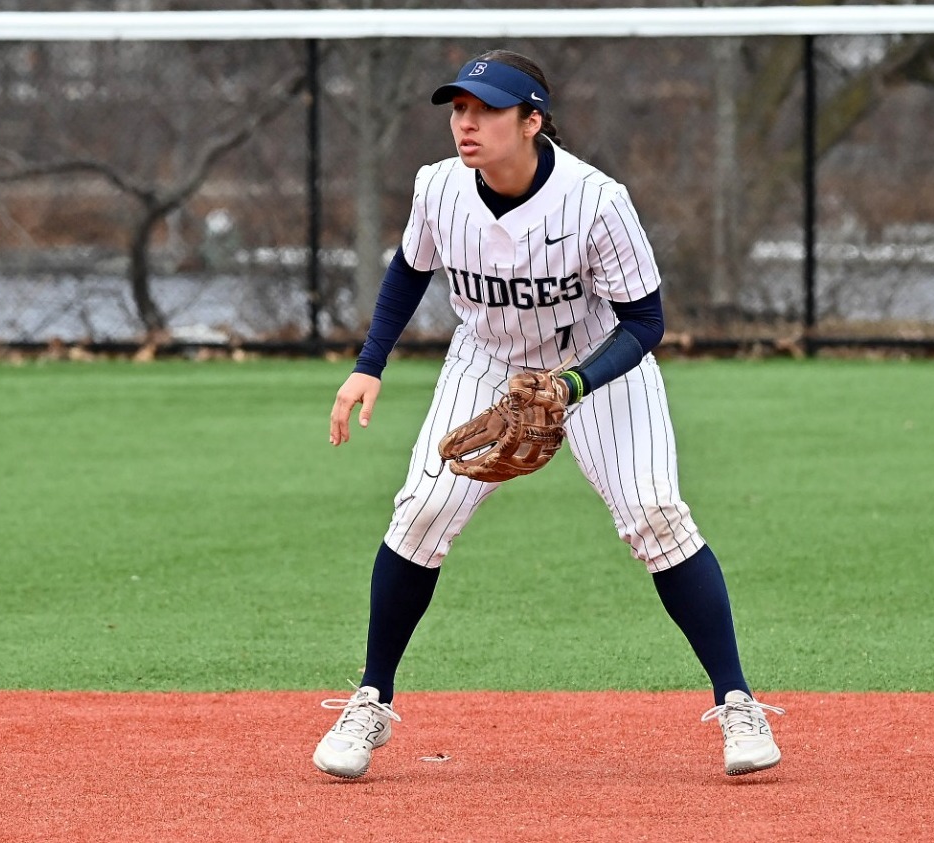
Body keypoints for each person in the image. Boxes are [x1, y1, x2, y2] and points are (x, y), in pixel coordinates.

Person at [316, 49, 783, 779]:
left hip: (595, 362)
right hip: (487, 360)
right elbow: (410, 269)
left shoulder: (595, 200)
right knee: (420, 512)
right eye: (458, 109)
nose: (464, 124)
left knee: (656, 514)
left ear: (531, 121)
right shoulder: (438, 187)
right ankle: (369, 700)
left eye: (485, 111)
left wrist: (572, 385)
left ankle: (737, 702)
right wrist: (367, 365)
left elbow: (645, 322)